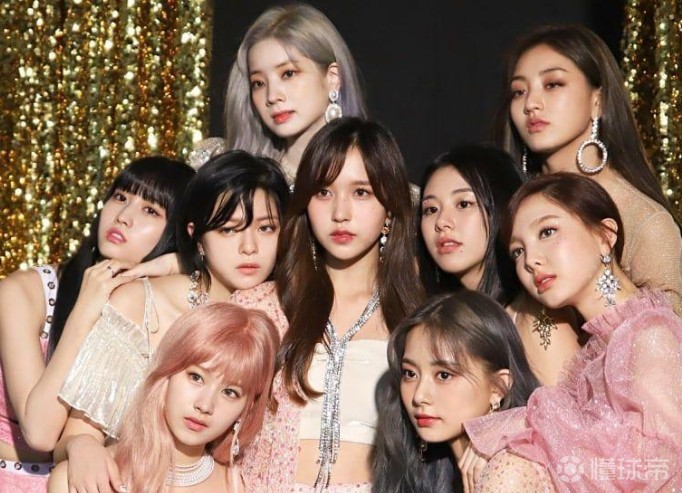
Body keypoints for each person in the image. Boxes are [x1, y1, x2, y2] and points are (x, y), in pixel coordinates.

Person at [53, 151, 289, 492]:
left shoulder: (282, 317)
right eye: (228, 229)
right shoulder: (140, 303)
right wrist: (81, 446)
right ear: (196, 235)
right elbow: (76, 434)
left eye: (266, 228)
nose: (249, 247)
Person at [233, 117, 423, 492]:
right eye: (323, 192)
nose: (340, 212)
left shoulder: (419, 320)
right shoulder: (259, 307)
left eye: (361, 192)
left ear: (390, 207)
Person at [466, 173, 682, 491]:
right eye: (518, 252)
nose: (531, 261)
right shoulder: (596, 350)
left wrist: (528, 424)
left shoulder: (649, 335)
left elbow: (661, 468)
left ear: (605, 235)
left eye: (547, 231)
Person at [0, 156, 194, 492]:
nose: (123, 216)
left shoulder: (163, 312)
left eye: (151, 211)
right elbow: (41, 433)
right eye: (120, 197)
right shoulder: (25, 292)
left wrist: (177, 265)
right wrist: (84, 311)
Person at [494, 24, 682, 313]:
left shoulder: (644, 222)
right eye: (519, 91)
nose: (530, 103)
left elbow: (666, 336)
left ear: (599, 101)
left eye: (553, 84)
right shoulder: (509, 206)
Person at [48, 302, 280, 493]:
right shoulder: (85, 478)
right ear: (166, 373)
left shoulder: (239, 486)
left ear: (245, 408)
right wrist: (79, 443)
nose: (205, 405)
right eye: (196, 377)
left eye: (230, 392)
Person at [418, 145, 579, 385]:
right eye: (431, 209)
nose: (442, 222)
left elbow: (575, 408)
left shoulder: (537, 320)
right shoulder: (434, 316)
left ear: (501, 207)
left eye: (463, 204)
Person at [372, 291, 541, 493]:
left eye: (444, 375)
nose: (419, 396)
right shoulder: (434, 469)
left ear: (498, 387)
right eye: (410, 373)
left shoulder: (508, 469)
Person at [224, 3, 367, 183]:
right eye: (259, 83)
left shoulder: (375, 177)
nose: (272, 96)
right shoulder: (237, 180)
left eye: (288, 74)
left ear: (333, 77)